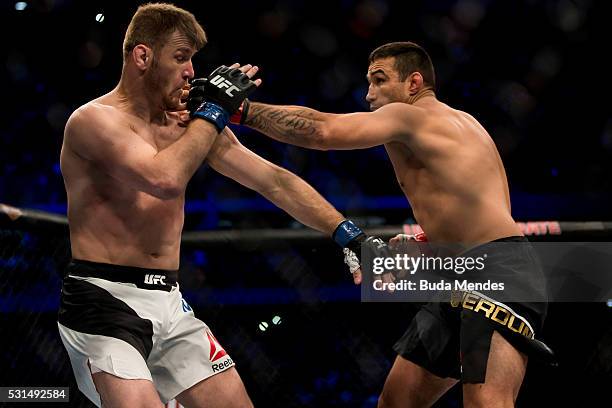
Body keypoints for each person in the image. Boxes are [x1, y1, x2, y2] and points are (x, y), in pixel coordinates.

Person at [58, 4, 366, 407]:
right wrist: (214, 112)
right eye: (181, 57)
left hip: (169, 299)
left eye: (192, 60)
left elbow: (273, 181)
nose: (191, 72)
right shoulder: (93, 121)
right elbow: (164, 179)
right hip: (103, 301)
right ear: (142, 56)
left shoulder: (186, 124)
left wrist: (346, 233)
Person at [231, 41, 554, 407]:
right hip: (467, 272)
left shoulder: (411, 116)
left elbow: (321, 130)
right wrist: (427, 241)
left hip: (496, 273)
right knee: (396, 402)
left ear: (414, 83)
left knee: (486, 402)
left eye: (380, 80)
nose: (369, 94)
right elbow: (481, 210)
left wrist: (241, 110)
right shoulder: (466, 125)